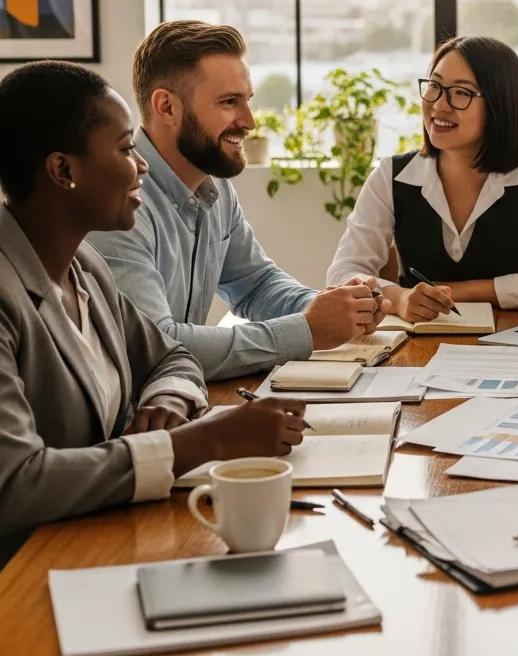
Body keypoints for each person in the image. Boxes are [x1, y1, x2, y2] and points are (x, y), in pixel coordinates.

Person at [0, 61, 305, 564]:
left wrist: (168, 397)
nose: (141, 165)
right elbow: (16, 483)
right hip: (28, 569)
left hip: (101, 536)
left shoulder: (83, 265)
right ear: (63, 170)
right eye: (124, 149)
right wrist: (201, 442)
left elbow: (171, 357)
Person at [91, 21, 389, 380]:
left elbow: (254, 282)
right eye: (229, 102)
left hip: (178, 396)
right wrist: (307, 330)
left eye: (247, 100)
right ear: (166, 107)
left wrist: (334, 309)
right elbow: (157, 344)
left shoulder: (212, 180)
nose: (248, 121)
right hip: (131, 416)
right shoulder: (116, 200)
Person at [326, 36, 518, 321]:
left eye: (461, 93)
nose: (439, 105)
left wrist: (464, 292)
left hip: (509, 341)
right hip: (418, 342)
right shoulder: (390, 176)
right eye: (434, 86)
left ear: (500, 104)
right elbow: (342, 274)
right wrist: (400, 297)